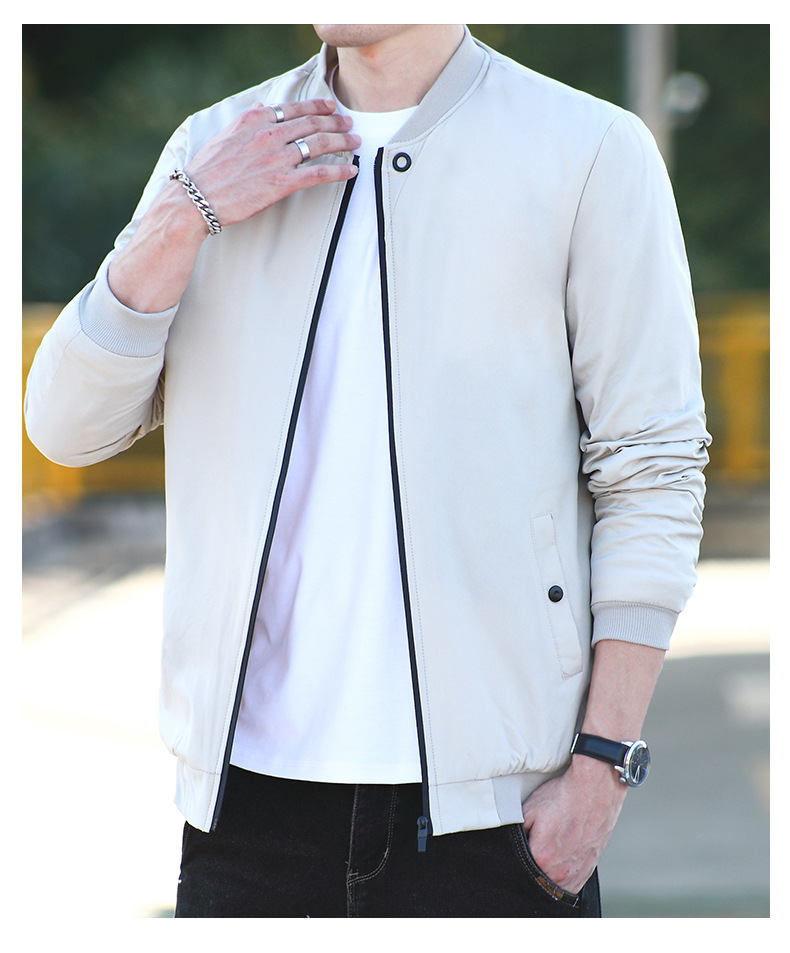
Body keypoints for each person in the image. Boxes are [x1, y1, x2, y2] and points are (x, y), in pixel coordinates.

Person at [24, 24, 710, 918]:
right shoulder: (214, 148)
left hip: (495, 820)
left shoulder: (588, 150)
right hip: (247, 811)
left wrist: (603, 768)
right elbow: (67, 427)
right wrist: (184, 215)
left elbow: (652, 467)